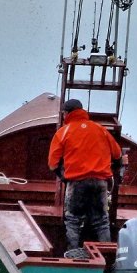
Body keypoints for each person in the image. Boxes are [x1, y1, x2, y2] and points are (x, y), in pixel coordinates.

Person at [48, 98, 122, 256]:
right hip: (100, 183)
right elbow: (117, 154)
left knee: (73, 220)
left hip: (77, 183)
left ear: (66, 113)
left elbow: (52, 164)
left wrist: (63, 177)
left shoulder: (63, 132)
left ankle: (73, 255)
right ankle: (106, 256)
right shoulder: (100, 129)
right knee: (102, 221)